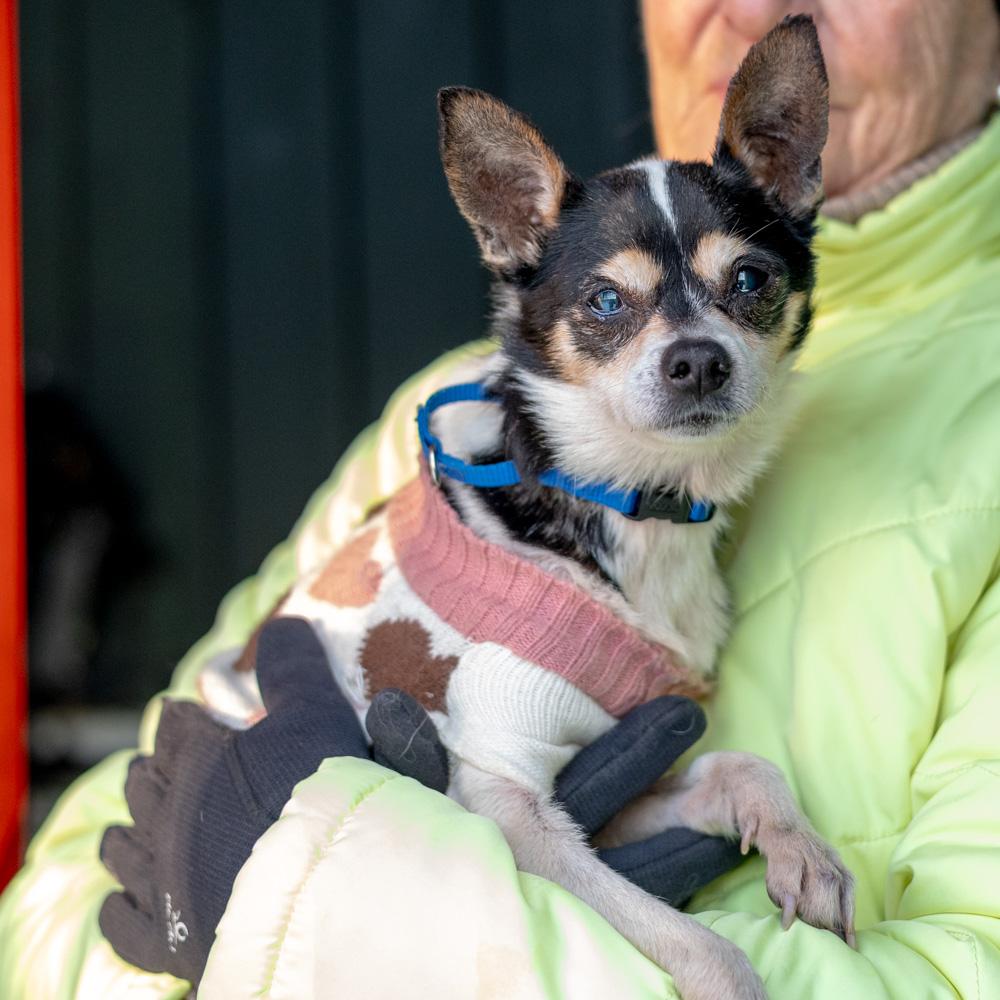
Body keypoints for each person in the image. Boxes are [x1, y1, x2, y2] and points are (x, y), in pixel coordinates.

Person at [3, 1, 1000, 996]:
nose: (744, 9)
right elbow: (63, 891)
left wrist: (338, 901)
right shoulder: (432, 441)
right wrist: (210, 913)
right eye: (611, 303)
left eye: (742, 284)